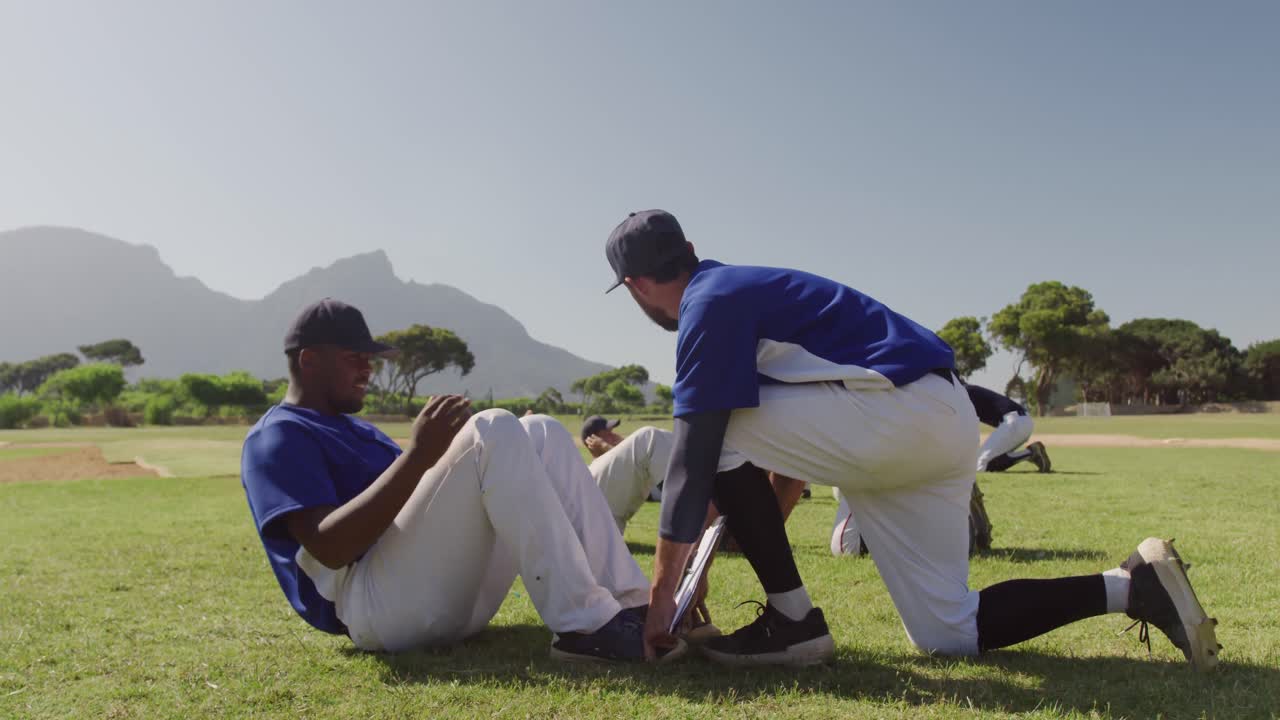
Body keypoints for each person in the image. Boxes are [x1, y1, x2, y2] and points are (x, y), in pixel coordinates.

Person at [603, 209, 1220, 670]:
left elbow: (695, 456)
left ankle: (793, 619)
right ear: (690, 249)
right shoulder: (733, 287)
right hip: (929, 422)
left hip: (896, 417)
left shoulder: (708, 304)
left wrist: (663, 595)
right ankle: (1130, 585)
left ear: (632, 285)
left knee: (714, 423)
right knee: (948, 632)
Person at [240, 298, 681, 662]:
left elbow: (422, 508)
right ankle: (587, 630)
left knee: (539, 429)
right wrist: (418, 456)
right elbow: (329, 548)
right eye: (355, 357)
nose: (368, 369)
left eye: (370, 359)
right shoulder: (278, 435)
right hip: (371, 608)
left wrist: (483, 453)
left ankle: (630, 606)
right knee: (492, 428)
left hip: (439, 599)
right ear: (309, 360)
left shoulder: (359, 430)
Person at [968, 384, 1051, 473]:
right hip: (1019, 422)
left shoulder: (965, 392)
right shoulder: (966, 391)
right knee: (985, 461)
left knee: (980, 465)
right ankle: (1030, 453)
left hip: (1014, 422)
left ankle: (1031, 453)